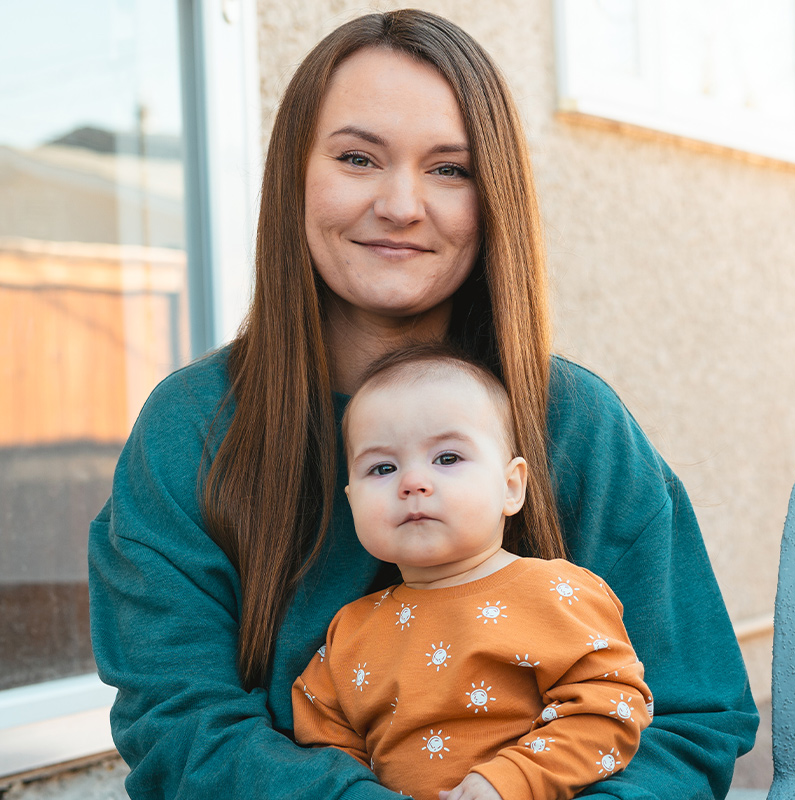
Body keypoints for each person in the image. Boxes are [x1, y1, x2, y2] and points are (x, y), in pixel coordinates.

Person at [88, 9, 758, 800]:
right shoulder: (193, 427)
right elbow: (178, 723)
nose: (401, 205)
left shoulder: (573, 422)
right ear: (293, 174)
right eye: (358, 157)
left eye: (450, 168)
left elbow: (690, 716)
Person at [291, 345, 653, 800]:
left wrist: (512, 780)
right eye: (383, 467)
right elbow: (321, 744)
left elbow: (613, 707)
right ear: (352, 502)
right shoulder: (350, 632)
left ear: (511, 486)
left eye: (447, 458)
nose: (413, 482)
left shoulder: (556, 592)